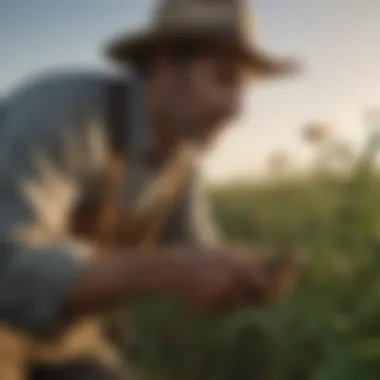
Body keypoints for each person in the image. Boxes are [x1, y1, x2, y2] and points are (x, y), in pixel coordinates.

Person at [0, 0, 299, 379]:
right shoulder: (59, 114)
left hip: (67, 340)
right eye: (225, 80)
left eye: (244, 90)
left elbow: (198, 251)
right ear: (164, 66)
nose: (238, 110)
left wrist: (242, 275)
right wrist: (167, 271)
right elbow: (7, 271)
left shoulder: (181, 163)